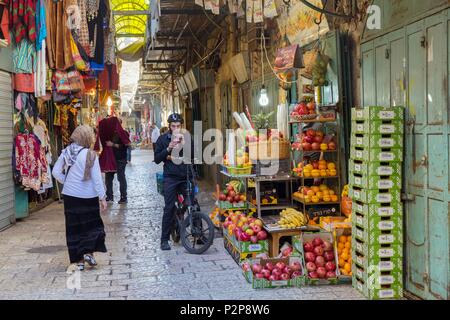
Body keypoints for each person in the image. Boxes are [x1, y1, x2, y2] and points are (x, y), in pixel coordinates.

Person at [53, 125, 108, 271]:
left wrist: (68, 181)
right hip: (88, 196)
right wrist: (102, 197)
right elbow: (97, 179)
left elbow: (55, 172)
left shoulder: (67, 152)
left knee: (74, 228)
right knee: (91, 226)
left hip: (70, 196)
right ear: (88, 138)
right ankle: (89, 253)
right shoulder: (91, 155)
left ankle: (78, 261)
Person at [154, 113, 195, 251]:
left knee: (193, 204)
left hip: (185, 176)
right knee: (169, 207)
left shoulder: (187, 138)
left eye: (178, 126)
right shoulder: (162, 139)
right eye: (173, 126)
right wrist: (168, 148)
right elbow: (158, 158)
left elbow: (194, 156)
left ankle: (199, 235)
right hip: (170, 177)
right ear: (169, 126)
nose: (176, 128)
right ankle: (164, 240)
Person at [105, 119, 129, 204]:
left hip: (120, 159)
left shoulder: (124, 133)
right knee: (108, 178)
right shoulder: (109, 134)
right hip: (111, 159)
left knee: (121, 177)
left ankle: (123, 197)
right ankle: (109, 196)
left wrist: (113, 145)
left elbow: (125, 146)